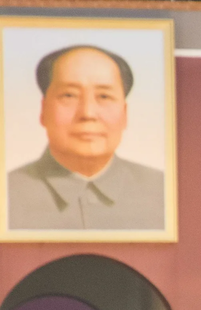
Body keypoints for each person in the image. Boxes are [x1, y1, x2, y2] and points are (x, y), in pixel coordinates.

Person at [8, 45, 164, 231]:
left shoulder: (163, 192)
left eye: (104, 96)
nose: (88, 113)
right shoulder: (8, 191)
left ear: (124, 114)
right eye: (69, 95)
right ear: (43, 110)